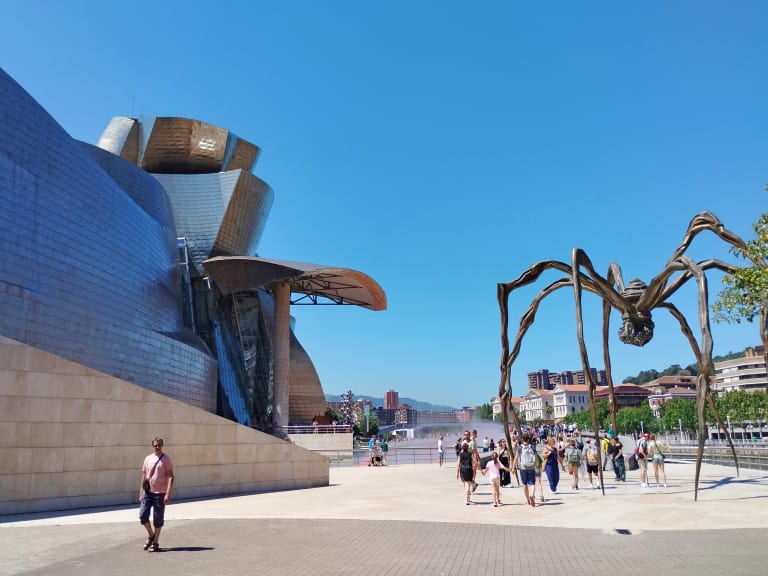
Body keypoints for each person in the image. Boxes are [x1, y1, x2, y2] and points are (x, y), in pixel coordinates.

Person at [140, 437, 174, 552]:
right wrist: (141, 492)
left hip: (160, 493)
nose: (157, 447)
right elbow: (144, 476)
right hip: (148, 492)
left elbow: (171, 476)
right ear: (152, 446)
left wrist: (168, 493)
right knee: (143, 515)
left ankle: (155, 542)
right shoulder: (148, 458)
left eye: (159, 445)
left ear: (162, 446)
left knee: (158, 518)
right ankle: (151, 535)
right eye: (155, 445)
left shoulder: (166, 459)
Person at [513, 431, 538, 507]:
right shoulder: (532, 446)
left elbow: (516, 457)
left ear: (522, 439)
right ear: (528, 439)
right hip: (531, 466)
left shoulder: (520, 447)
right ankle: (532, 494)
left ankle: (527, 500)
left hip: (523, 468)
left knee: (524, 484)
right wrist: (536, 465)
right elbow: (536, 457)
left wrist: (513, 467)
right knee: (532, 483)